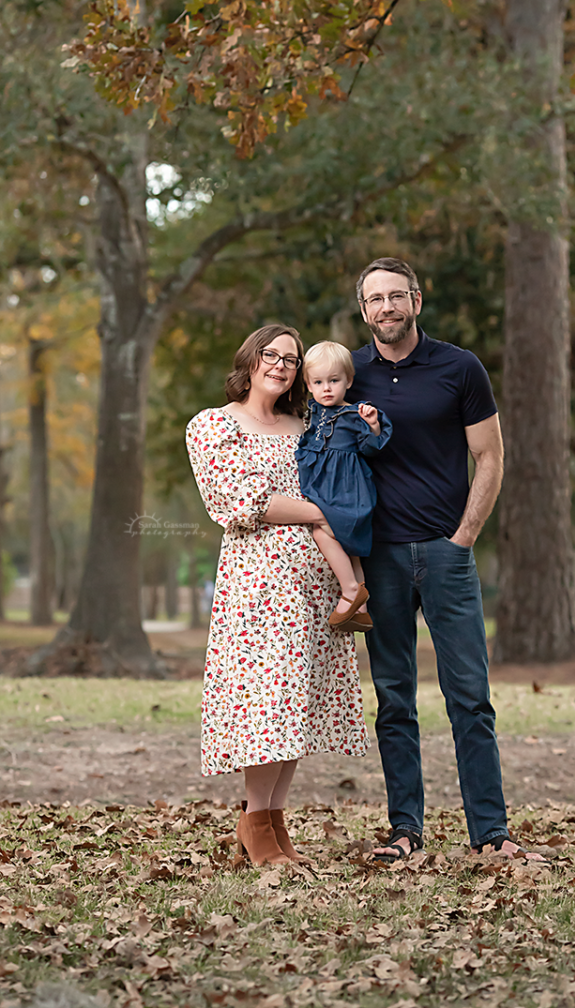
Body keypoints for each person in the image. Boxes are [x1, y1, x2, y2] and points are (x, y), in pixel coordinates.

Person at [346, 257, 545, 863]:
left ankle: (490, 834)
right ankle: (405, 831)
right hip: (379, 556)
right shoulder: (347, 373)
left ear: (417, 300)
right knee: (395, 698)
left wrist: (464, 537)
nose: (387, 307)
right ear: (364, 310)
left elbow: (489, 457)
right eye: (375, 299)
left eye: (396, 296)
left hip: (446, 553)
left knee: (470, 696)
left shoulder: (461, 368)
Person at [186, 324, 369, 867]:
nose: (282, 365)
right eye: (272, 354)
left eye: (292, 358)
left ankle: (272, 824)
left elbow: (341, 477)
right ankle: (254, 822)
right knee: (266, 706)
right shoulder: (214, 425)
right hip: (259, 590)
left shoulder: (308, 424)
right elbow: (242, 502)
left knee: (298, 710)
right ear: (251, 358)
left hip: (317, 588)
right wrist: (320, 512)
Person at [296, 341, 392, 633]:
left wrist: (373, 425)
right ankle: (361, 610)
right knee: (350, 550)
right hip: (324, 488)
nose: (327, 388)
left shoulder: (354, 415)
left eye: (334, 381)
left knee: (321, 530)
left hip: (347, 490)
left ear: (348, 381)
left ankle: (350, 590)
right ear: (309, 385)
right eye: (319, 382)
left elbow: (371, 447)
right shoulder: (311, 413)